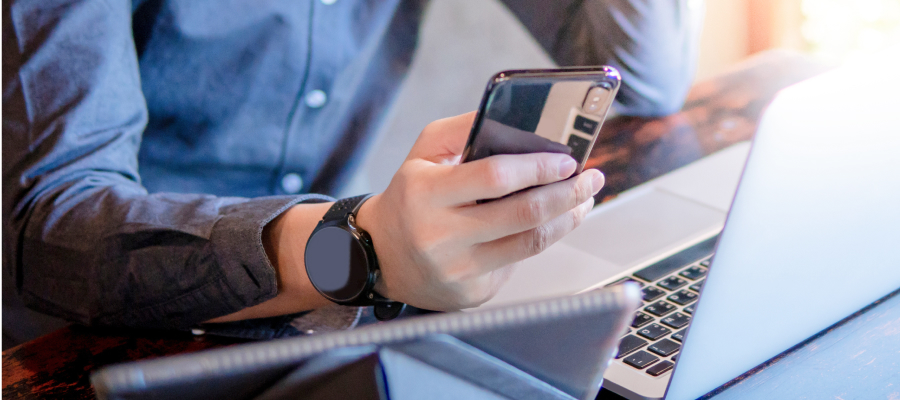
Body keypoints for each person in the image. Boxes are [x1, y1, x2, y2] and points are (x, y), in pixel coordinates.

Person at [2, 0, 703, 348]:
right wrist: (360, 248)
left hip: (314, 322)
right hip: (74, 341)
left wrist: (373, 256)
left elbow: (641, 75)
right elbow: (52, 228)